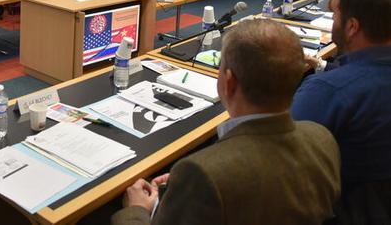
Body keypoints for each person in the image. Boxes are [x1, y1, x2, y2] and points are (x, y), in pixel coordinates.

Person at [113, 19, 340, 225]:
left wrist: (137, 210)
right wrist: (187, 189)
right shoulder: (322, 138)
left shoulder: (201, 172)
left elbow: (226, 177)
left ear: (228, 82)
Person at [292, 0, 391, 222]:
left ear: (352, 26)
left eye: (334, 15)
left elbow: (278, 163)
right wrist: (324, 67)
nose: (333, 21)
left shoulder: (324, 93)